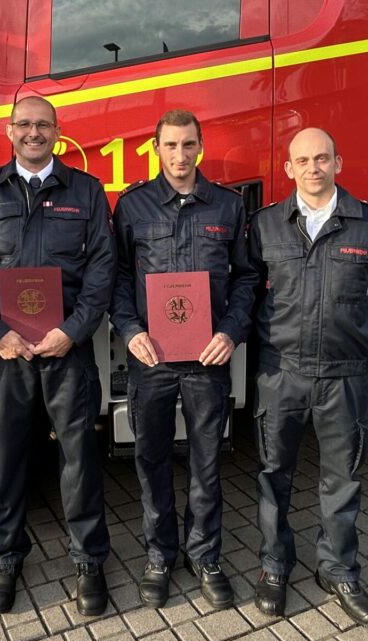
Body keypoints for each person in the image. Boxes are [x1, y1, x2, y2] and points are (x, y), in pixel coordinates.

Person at [0, 96, 114, 617]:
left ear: (57, 132)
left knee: (79, 458)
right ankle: (4, 558)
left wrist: (74, 330)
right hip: (9, 353)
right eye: (23, 124)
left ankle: (89, 561)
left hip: (67, 351)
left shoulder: (86, 191)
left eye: (43, 125)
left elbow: (102, 268)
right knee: (7, 457)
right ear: (9, 131)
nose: (33, 133)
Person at [247, 127, 368, 628]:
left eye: (322, 158)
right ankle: (275, 566)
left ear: (338, 163)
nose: (313, 168)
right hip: (281, 372)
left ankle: (338, 570)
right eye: (303, 160)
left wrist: (347, 339)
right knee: (274, 475)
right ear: (288, 169)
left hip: (343, 375)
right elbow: (250, 292)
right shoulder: (265, 225)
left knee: (343, 478)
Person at [110, 110, 257, 609]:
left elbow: (246, 278)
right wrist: (130, 330)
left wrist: (231, 331)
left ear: (200, 147)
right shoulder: (132, 206)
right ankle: (159, 555)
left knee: (206, 461)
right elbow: (117, 277)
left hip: (207, 359)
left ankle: (205, 555)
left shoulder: (228, 206)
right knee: (151, 459)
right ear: (156, 149)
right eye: (170, 145)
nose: (179, 154)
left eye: (188, 144)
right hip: (151, 359)